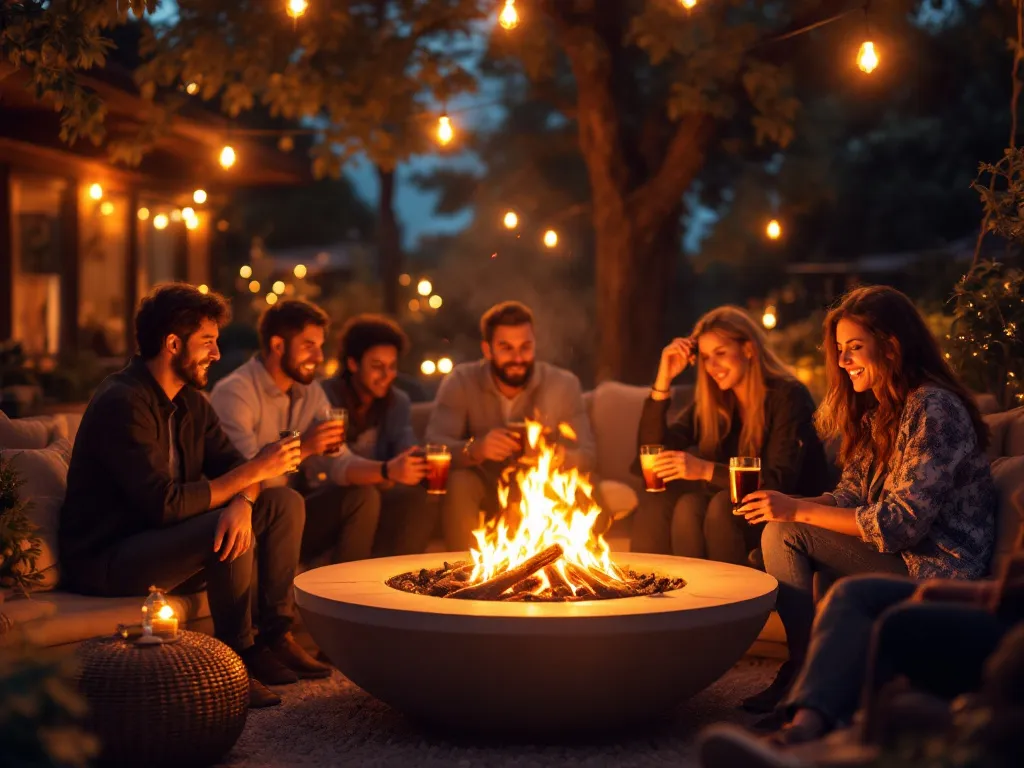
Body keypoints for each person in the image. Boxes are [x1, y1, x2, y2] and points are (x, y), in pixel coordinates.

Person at [60, 284, 329, 709]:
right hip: (108, 558)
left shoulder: (192, 405)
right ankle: (236, 658)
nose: (217, 354)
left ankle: (275, 636)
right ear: (172, 344)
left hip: (165, 544)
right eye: (208, 342)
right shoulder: (122, 402)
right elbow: (163, 504)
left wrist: (243, 500)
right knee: (217, 526)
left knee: (283, 504)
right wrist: (251, 474)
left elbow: (237, 470)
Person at [735, 285, 997, 712]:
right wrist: (787, 501)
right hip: (902, 555)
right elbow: (851, 495)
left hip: (937, 569)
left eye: (854, 347)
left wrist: (798, 511)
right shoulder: (879, 414)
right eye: (839, 349)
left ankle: (802, 669)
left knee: (786, 532)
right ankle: (807, 668)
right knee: (780, 528)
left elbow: (899, 524)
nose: (842, 361)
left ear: (892, 346)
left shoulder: (934, 409)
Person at [697, 517, 1024, 768]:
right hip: (1000, 596)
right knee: (854, 592)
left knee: (900, 622)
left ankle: (834, 749)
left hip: (989, 601)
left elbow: (900, 521)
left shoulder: (939, 428)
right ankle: (804, 726)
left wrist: (977, 593)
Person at [631, 306, 828, 565]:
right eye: (705, 357)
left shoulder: (789, 397)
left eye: (720, 354)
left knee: (722, 505)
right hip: (734, 511)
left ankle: (736, 601)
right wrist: (663, 378)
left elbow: (778, 482)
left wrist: (704, 470)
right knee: (686, 506)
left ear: (748, 349)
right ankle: (688, 598)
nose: (712, 366)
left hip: (790, 508)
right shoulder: (716, 402)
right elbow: (650, 454)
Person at [210, 301, 400, 566]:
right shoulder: (235, 393)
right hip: (247, 515)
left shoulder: (309, 392)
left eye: (320, 347)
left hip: (293, 513)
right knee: (286, 499)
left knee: (362, 496)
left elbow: (340, 461)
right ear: (278, 346)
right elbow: (246, 478)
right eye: (309, 346)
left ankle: (347, 594)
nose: (320, 357)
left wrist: (387, 470)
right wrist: (306, 447)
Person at [424, 300, 597, 550]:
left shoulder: (562, 384)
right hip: (484, 483)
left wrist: (553, 456)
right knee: (459, 481)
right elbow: (433, 446)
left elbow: (588, 455)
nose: (517, 358)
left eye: (525, 347)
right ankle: (465, 575)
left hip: (540, 484)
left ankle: (551, 575)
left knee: (577, 488)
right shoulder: (461, 381)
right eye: (506, 347)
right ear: (487, 349)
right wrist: (476, 449)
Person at [320, 313, 438, 556]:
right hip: (332, 496)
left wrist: (417, 461)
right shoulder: (324, 397)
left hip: (380, 491)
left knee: (420, 497)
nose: (386, 375)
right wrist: (387, 472)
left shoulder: (397, 402)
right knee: (365, 494)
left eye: (392, 367)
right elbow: (328, 470)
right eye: (377, 366)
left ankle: (403, 577)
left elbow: (405, 448)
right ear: (353, 364)